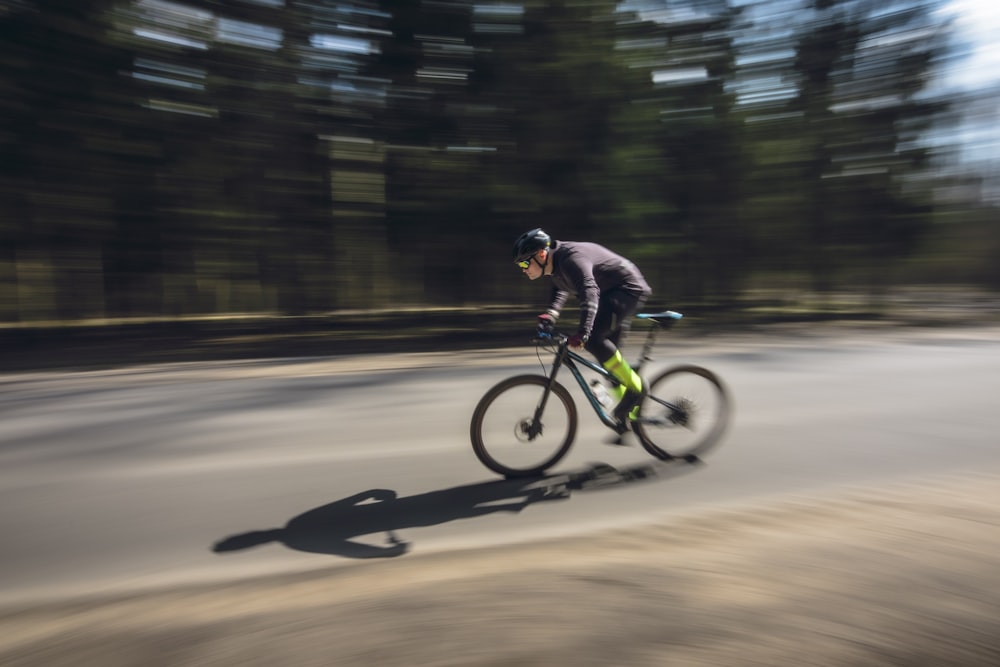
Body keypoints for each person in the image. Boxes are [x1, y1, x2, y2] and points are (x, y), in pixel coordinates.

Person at [512, 228, 651, 433]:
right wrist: (550, 315)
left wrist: (584, 332)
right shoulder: (555, 265)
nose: (523, 269)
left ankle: (637, 389)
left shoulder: (571, 259)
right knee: (610, 365)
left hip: (627, 289)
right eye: (520, 265)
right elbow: (560, 287)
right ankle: (632, 416)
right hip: (608, 293)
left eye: (525, 263)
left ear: (541, 254)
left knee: (594, 340)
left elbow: (589, 291)